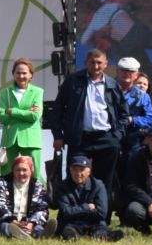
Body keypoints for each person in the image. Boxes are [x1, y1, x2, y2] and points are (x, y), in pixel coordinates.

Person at [50, 49, 128, 203]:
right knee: (75, 178)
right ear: (86, 63)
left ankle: (101, 220)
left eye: (99, 62)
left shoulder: (112, 85)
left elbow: (124, 114)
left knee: (104, 181)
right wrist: (58, 135)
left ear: (106, 64)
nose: (96, 66)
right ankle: (73, 216)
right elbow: (58, 108)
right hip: (79, 139)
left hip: (106, 138)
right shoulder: (73, 81)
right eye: (92, 62)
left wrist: (117, 136)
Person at [0, 58, 45, 181]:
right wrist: (26, 112)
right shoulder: (5, 92)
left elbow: (34, 116)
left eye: (24, 73)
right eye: (18, 72)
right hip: (10, 139)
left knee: (33, 175)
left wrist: (12, 111)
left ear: (31, 75)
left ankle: (33, 199)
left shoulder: (38, 91)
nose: (21, 76)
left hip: (31, 139)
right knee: (7, 175)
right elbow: (1, 117)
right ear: (13, 74)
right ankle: (6, 199)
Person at [53, 152, 120, 241]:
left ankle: (104, 236)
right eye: (75, 169)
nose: (78, 173)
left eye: (81, 170)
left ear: (88, 171)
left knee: (100, 229)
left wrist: (76, 211)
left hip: (93, 222)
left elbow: (102, 213)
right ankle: (72, 236)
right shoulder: (63, 186)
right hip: (71, 223)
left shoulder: (98, 186)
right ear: (70, 170)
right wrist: (86, 207)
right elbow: (65, 211)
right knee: (68, 230)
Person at [0, 153, 48, 239]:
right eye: (18, 170)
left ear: (31, 171)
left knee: (38, 228)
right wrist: (13, 221)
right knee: (4, 227)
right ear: (13, 170)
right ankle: (20, 235)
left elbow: (42, 208)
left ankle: (33, 233)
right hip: (8, 221)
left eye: (24, 170)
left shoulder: (38, 186)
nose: (21, 173)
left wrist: (31, 224)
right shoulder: (3, 182)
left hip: (28, 222)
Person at [115, 56, 152, 166]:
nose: (127, 74)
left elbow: (149, 119)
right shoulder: (107, 90)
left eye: (131, 71)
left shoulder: (143, 96)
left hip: (132, 141)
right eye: (123, 70)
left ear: (136, 75)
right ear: (117, 71)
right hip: (111, 138)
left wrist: (132, 120)